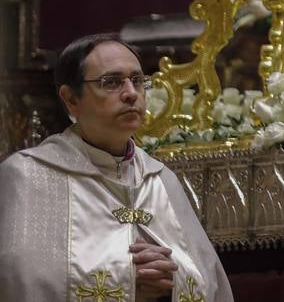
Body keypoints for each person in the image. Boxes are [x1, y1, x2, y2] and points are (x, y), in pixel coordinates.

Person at [0, 34, 232, 301]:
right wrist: (126, 281)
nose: (131, 94)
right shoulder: (28, 175)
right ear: (71, 99)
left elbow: (209, 277)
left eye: (137, 81)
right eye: (110, 82)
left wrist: (170, 277)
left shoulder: (159, 178)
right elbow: (17, 278)